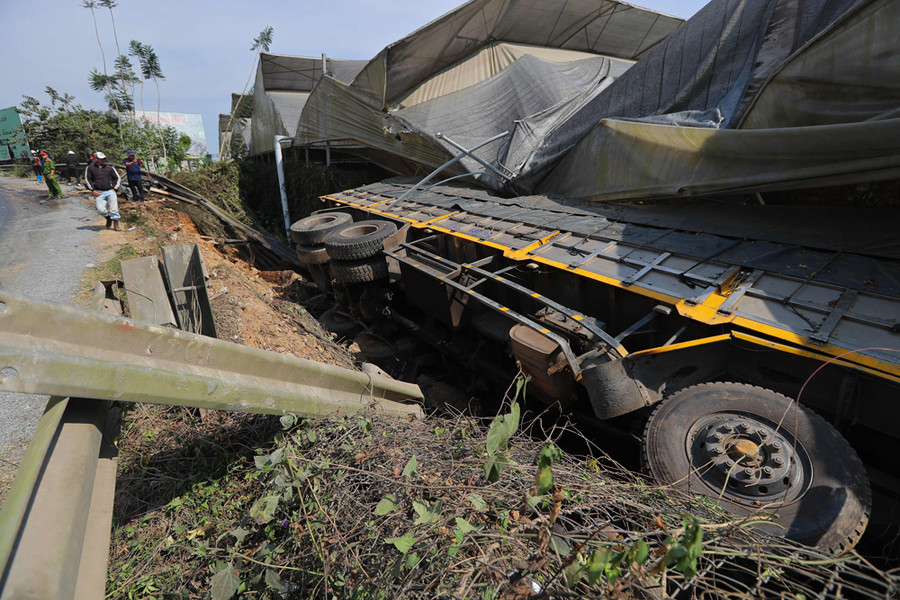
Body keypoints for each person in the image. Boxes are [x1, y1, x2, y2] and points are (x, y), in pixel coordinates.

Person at [84, 151, 122, 230]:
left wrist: (114, 188)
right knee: (100, 209)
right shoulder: (90, 168)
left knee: (114, 208)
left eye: (104, 159)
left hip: (110, 191)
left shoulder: (109, 168)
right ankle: (108, 218)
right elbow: (88, 179)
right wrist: (93, 190)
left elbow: (117, 178)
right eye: (101, 159)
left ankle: (116, 223)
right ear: (96, 159)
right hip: (98, 191)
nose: (103, 160)